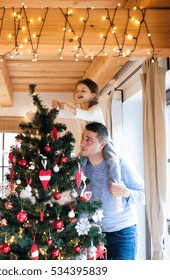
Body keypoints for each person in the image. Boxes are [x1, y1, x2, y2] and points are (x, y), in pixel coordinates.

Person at [52, 78, 123, 211]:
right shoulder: (77, 109)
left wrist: (69, 107)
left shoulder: (95, 109)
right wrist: (56, 109)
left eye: (83, 90)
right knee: (78, 165)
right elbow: (67, 114)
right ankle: (77, 195)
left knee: (113, 162)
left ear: (93, 95)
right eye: (78, 90)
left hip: (104, 143)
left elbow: (88, 116)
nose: (79, 92)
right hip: (88, 145)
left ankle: (117, 189)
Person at [79, 122, 145, 260]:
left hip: (122, 234)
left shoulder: (121, 165)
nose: (82, 143)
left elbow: (145, 195)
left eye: (88, 140)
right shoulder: (79, 168)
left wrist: (125, 193)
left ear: (102, 145)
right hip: (94, 236)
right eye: (82, 137)